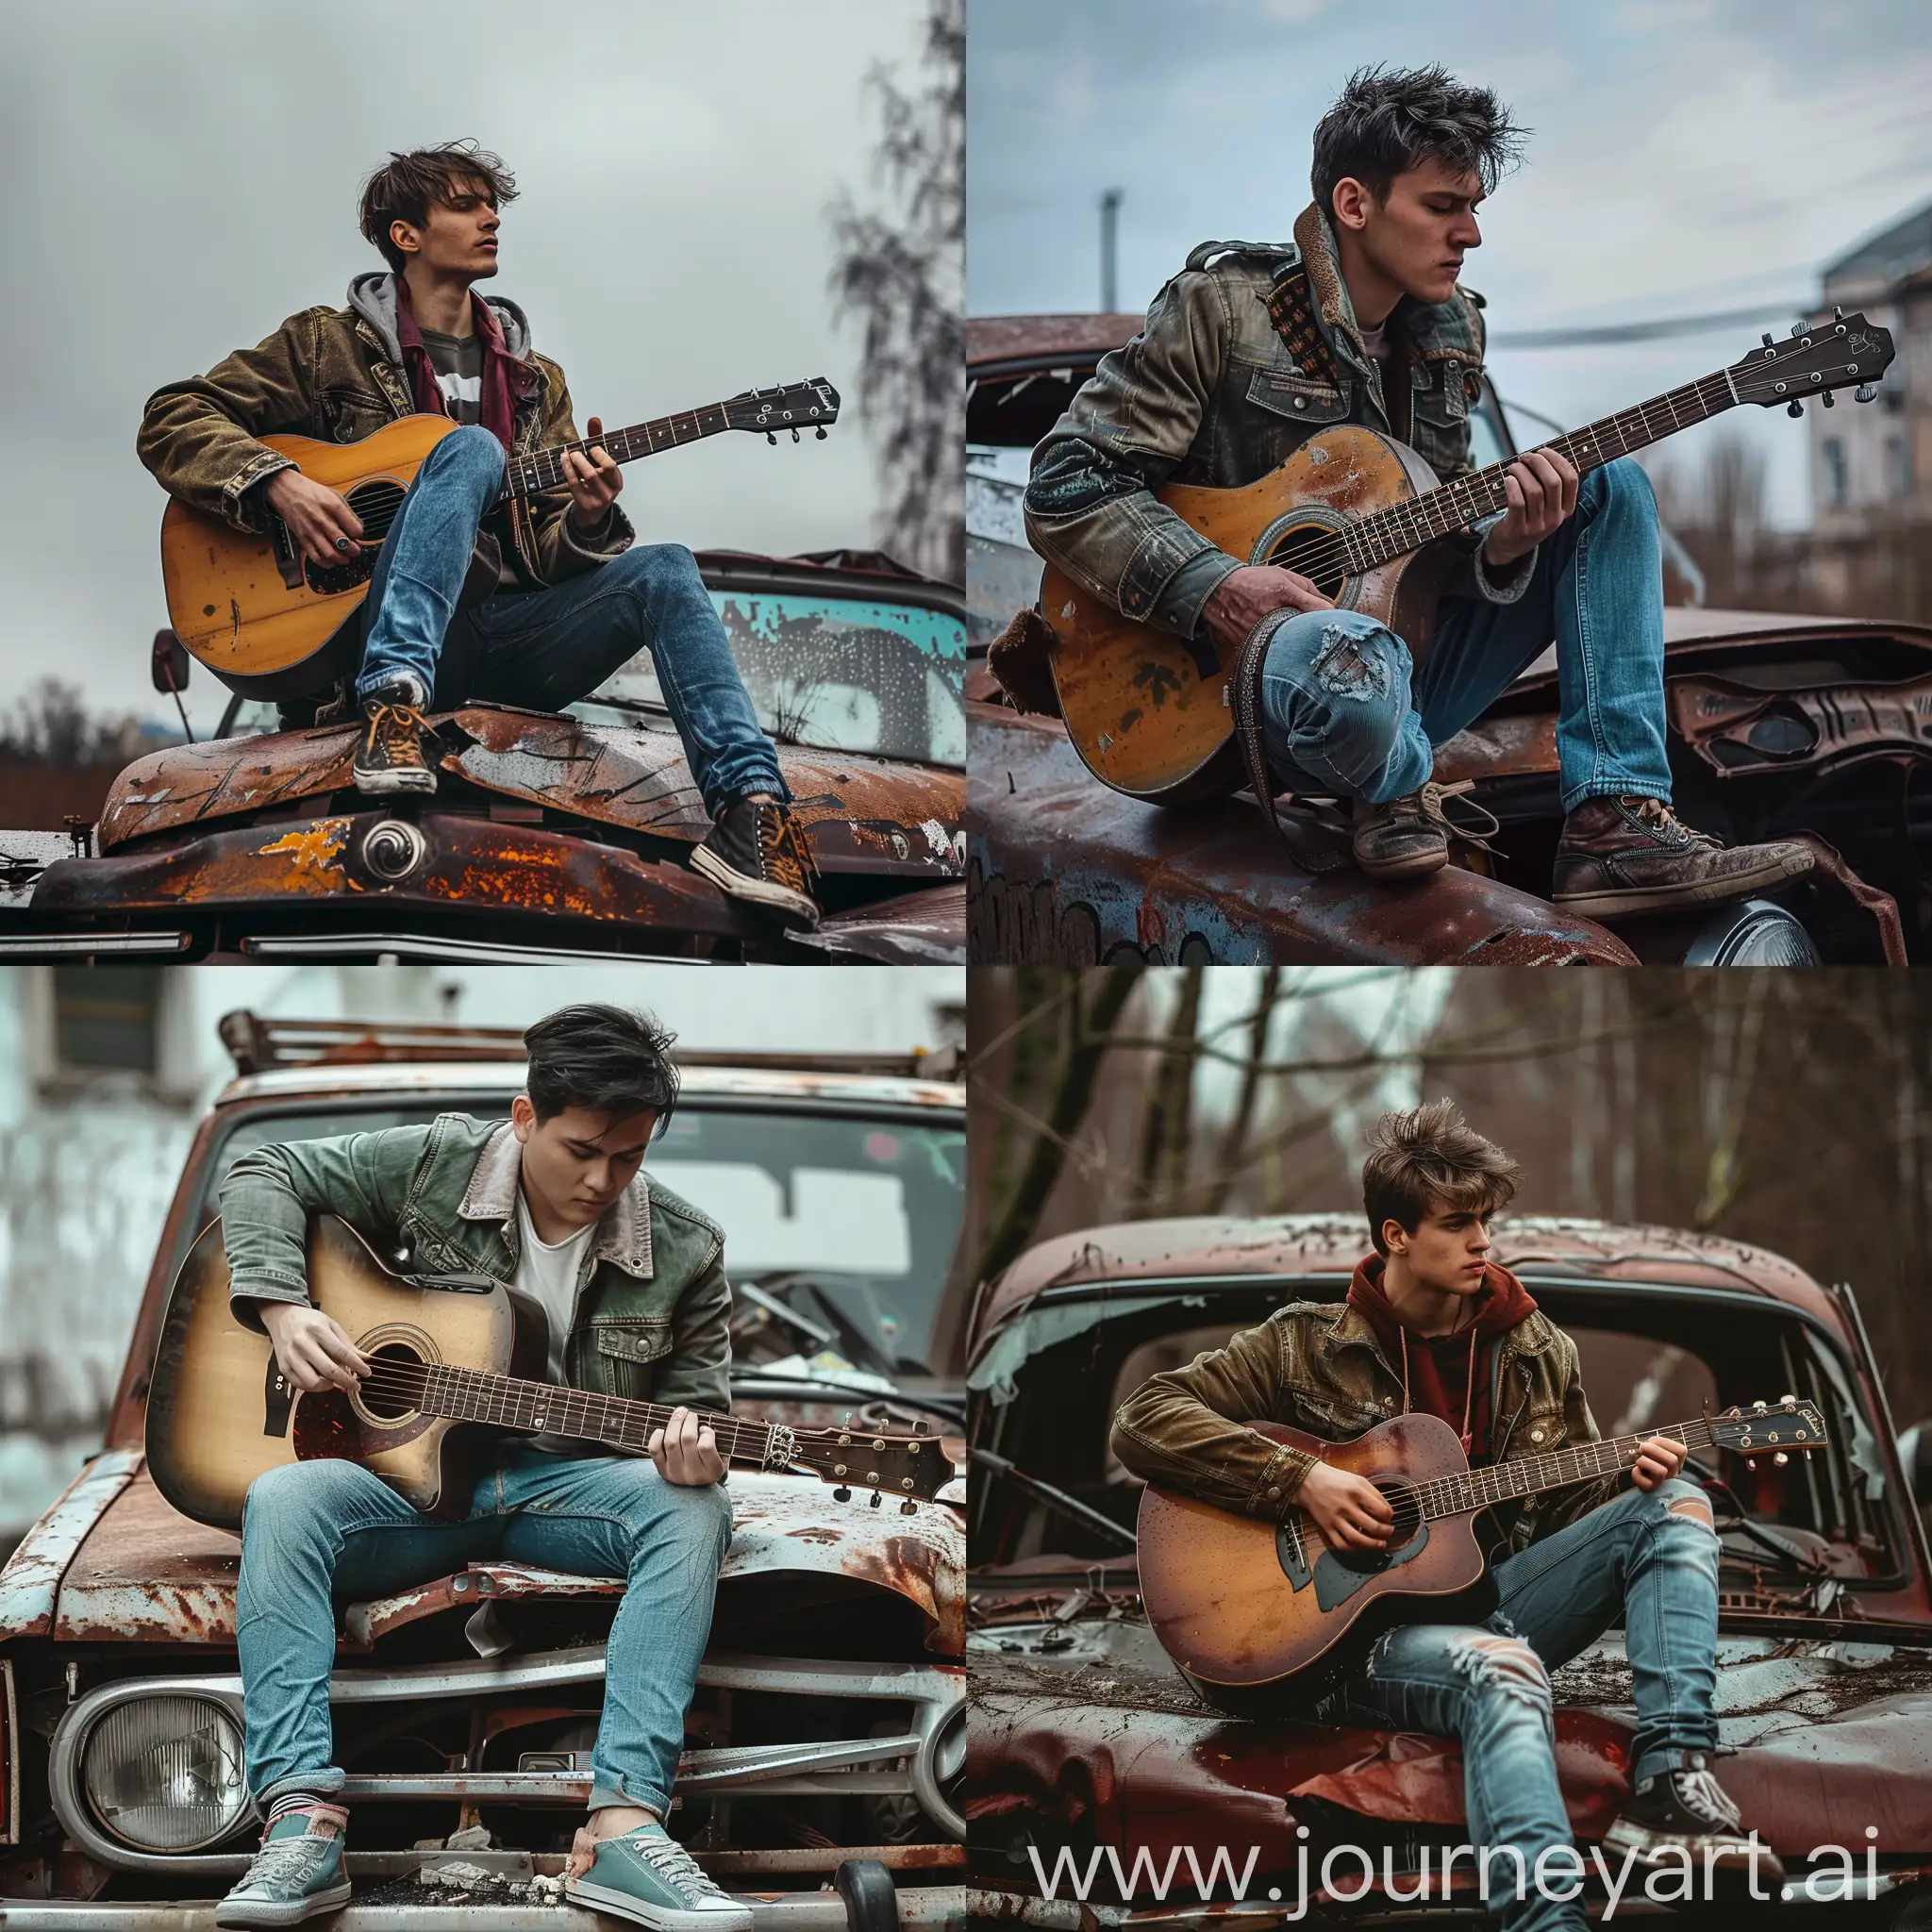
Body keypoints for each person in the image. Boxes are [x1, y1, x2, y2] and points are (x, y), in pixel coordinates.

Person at [1023, 65, 1813, 917]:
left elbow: (1422, 557)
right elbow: (1069, 481)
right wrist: (1216, 586)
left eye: (1474, 208)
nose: (1470, 233)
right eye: (1443, 206)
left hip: (1395, 671)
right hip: (1244, 695)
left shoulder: (1451, 335)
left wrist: (1503, 551)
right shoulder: (1222, 310)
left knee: (1607, 485)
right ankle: (1392, 786)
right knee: (1337, 650)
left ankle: (1612, 825)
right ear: (1355, 205)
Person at [1110, 1101, 1780, 1932]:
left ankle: (1673, 1782)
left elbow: (1554, 1513)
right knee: (1502, 1668)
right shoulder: (1301, 1346)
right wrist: (1301, 1482)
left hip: (1496, 1602)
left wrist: (1624, 1479)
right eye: (1458, 1224)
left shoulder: (1538, 1351)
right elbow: (1143, 1417)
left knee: (1672, 1501)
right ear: (1395, 1236)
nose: (1482, 1243)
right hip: (1335, 1645)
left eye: (1487, 1222)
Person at [138, 141, 818, 928]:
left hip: (497, 642)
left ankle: (752, 813)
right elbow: (172, 416)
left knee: (663, 566)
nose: (491, 217)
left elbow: (537, 560)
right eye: (465, 204)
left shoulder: (536, 382)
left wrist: (589, 518)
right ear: (406, 235)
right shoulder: (326, 346)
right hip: (358, 642)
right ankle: (393, 706)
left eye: (492, 204)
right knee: (467, 447)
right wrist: (278, 485)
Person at [212, 1005, 750, 1931]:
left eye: (627, 1156)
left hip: (563, 1487)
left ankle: (622, 1824)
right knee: (282, 1497)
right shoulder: (434, 1161)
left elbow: (703, 1412)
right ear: (523, 1116)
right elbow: (263, 1166)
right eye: (581, 1148)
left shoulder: (687, 1244)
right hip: (403, 1486)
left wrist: (696, 1456)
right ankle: (300, 1821)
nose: (602, 1178)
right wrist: (282, 1307)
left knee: (691, 1512)